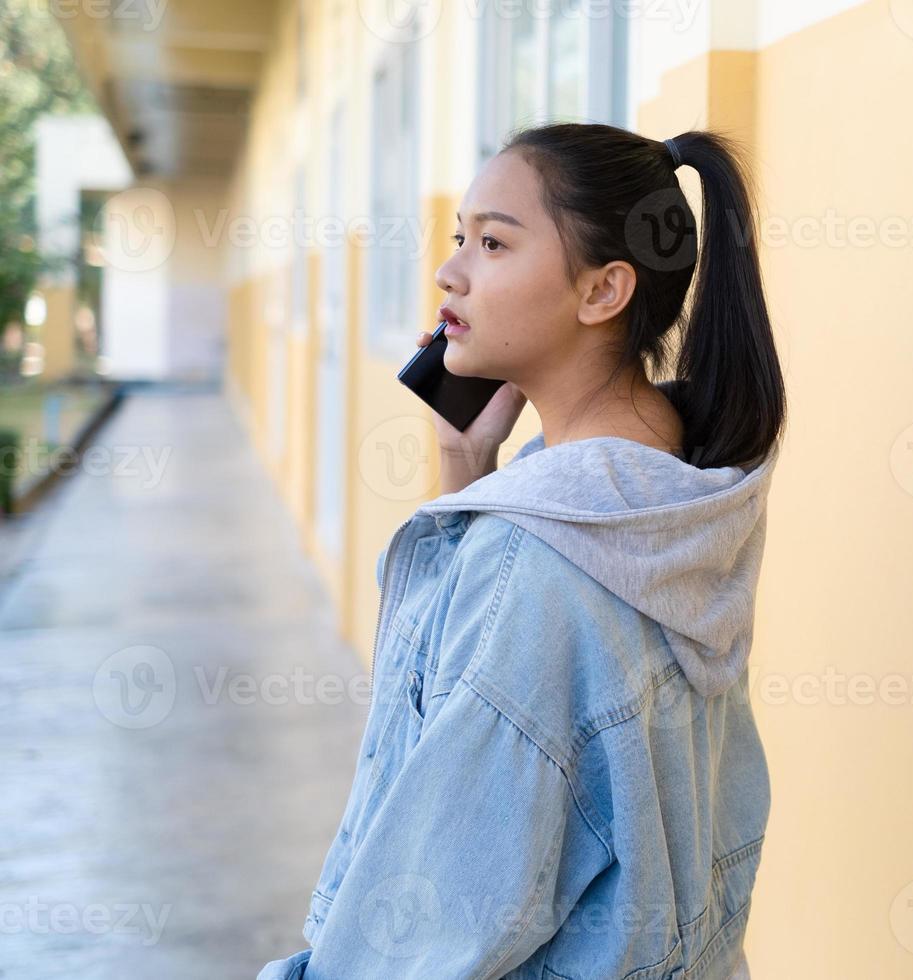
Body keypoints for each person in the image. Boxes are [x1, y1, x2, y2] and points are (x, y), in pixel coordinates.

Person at [257, 123, 785, 979]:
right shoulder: (680, 484)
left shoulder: (532, 568)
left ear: (604, 289)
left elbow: (415, 932)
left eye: (493, 242)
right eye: (461, 236)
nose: (448, 271)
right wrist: (466, 465)